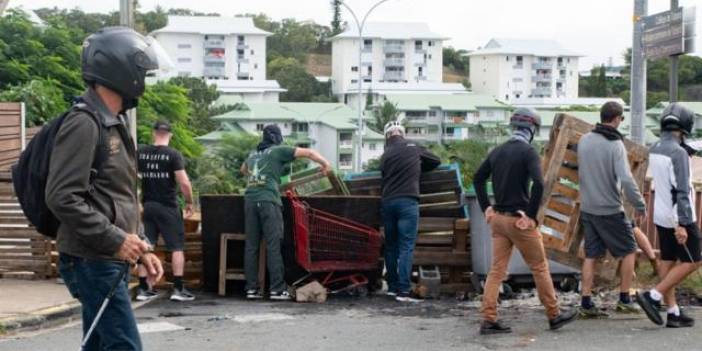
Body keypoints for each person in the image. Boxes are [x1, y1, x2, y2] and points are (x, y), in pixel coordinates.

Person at [46, 27, 166, 351]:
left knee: (99, 346)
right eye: (142, 70)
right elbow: (61, 196)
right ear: (121, 70)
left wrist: (141, 247)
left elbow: (119, 196)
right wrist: (116, 239)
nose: (144, 79)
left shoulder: (114, 123)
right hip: (90, 259)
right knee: (124, 346)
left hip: (105, 257)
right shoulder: (85, 124)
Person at [474, 108, 577, 334]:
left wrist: (486, 208)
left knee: (496, 271)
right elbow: (539, 184)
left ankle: (489, 319)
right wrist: (531, 216)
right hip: (519, 221)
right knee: (539, 267)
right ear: (531, 129)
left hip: (499, 220)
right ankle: (554, 314)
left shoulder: (497, 151)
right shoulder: (528, 152)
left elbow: (478, 178)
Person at [241, 124, 331, 300]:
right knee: (273, 245)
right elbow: (309, 153)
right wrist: (325, 164)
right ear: (277, 139)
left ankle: (251, 289)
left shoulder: (253, 155)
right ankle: (277, 289)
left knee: (251, 246)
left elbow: (243, 170)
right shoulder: (278, 150)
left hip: (250, 200)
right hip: (268, 200)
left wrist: (259, 178)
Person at [577, 101, 646, 318]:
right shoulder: (615, 145)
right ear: (616, 119)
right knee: (629, 251)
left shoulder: (584, 139)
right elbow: (626, 179)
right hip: (610, 209)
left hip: (588, 208)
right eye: (621, 118)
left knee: (591, 255)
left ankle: (586, 303)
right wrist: (640, 204)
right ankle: (625, 298)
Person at [637, 103, 701, 328]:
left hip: (661, 215)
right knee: (694, 259)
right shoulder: (678, 153)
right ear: (684, 126)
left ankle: (673, 312)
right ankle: (653, 296)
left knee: (668, 260)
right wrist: (683, 224)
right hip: (680, 216)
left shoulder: (655, 147)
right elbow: (682, 189)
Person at [380, 120, 440, 303]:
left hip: (388, 202)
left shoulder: (385, 154)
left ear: (387, 136)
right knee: (406, 246)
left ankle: (391, 288)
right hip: (407, 202)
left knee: (390, 246)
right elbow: (436, 161)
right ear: (402, 133)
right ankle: (404, 291)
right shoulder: (413, 147)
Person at [136, 121, 195, 302]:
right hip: (168, 206)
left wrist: (137, 200)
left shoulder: (141, 153)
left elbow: (130, 177)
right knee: (176, 247)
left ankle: (143, 288)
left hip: (148, 206)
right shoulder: (173, 155)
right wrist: (189, 202)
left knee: (146, 245)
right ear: (170, 135)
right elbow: (184, 183)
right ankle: (177, 288)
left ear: (154, 133)